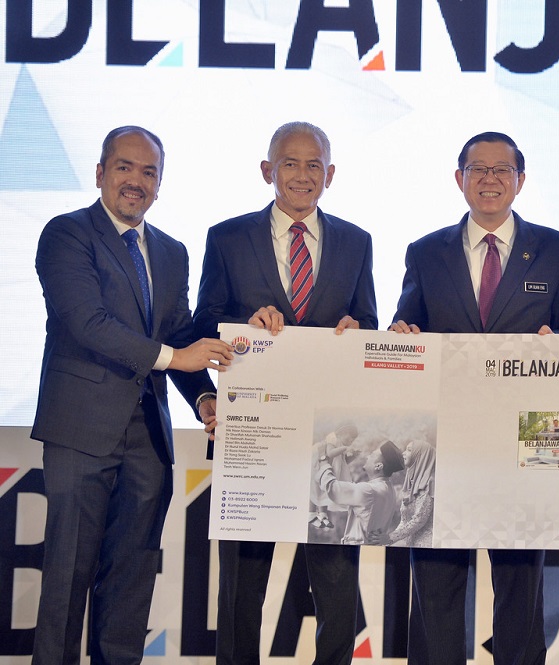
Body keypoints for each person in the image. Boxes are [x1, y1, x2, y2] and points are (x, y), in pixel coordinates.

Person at [31, 126, 232, 664]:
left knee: (131, 582)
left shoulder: (172, 252)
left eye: (149, 172)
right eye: (124, 167)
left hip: (148, 440)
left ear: (160, 185)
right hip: (80, 433)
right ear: (100, 173)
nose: (136, 181)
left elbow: (182, 335)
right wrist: (175, 358)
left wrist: (205, 397)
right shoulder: (67, 234)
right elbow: (86, 323)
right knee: (67, 579)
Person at [391, 131, 559, 665]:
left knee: (522, 582)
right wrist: (401, 334)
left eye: (503, 170)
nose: (490, 180)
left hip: (532, 434)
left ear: (520, 181)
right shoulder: (426, 251)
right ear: (459, 180)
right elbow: (407, 322)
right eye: (478, 169)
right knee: (436, 579)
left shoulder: (555, 249)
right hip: (444, 435)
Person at [193, 121, 377, 665]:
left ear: (331, 174)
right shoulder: (226, 237)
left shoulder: (356, 241)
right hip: (256, 442)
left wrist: (355, 327)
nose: (302, 175)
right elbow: (206, 322)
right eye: (290, 163)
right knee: (241, 594)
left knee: (338, 594)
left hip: (332, 446)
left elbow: (367, 320)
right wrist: (244, 323)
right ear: (267, 170)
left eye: (314, 164)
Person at [315, 440, 406, 545]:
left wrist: (323, 460)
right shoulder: (389, 489)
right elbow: (349, 490)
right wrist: (343, 462)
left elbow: (332, 488)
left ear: (378, 466)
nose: (368, 456)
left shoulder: (370, 491)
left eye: (372, 455)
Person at [387, 440, 436, 547]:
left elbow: (419, 520)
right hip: (410, 545)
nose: (403, 453)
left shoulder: (429, 482)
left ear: (420, 456)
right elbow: (404, 521)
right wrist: (389, 539)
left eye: (409, 450)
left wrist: (391, 538)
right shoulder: (411, 483)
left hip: (426, 547)